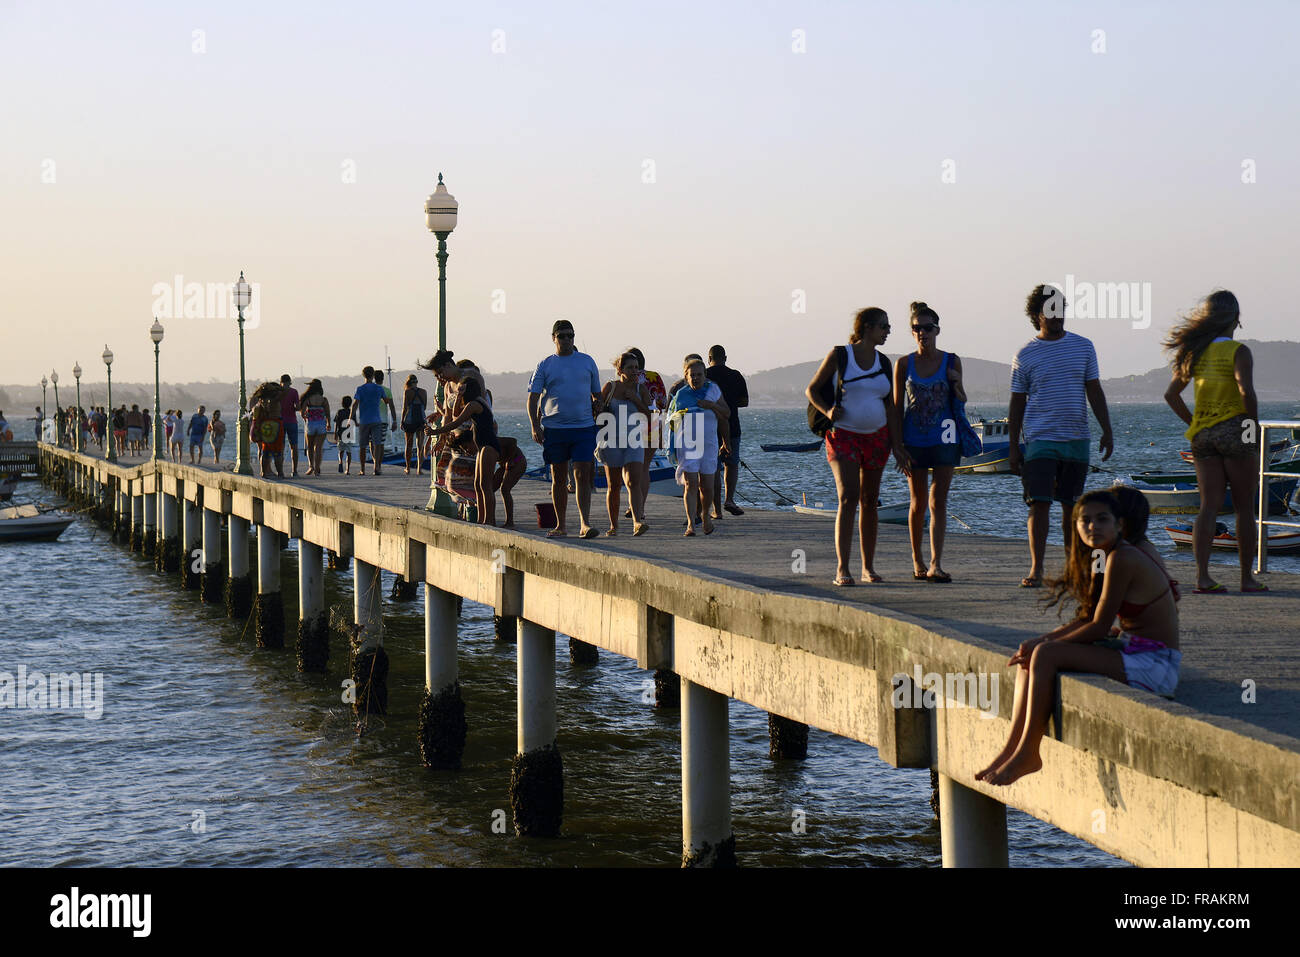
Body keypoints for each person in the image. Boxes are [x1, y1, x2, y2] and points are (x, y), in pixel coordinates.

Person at [977, 489, 1181, 786]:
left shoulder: (1123, 557)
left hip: (1156, 665)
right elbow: (1087, 618)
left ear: (1120, 525)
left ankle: (1029, 752)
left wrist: (1046, 645)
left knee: (1046, 655)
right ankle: (1011, 750)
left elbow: (1099, 627)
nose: (1092, 527)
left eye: (1102, 519)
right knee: (1032, 657)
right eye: (1084, 520)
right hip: (1135, 652)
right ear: (1074, 525)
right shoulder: (1104, 555)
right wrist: (1039, 642)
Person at [1009, 284, 1114, 588]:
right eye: (1050, 311)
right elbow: (1017, 402)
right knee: (1038, 503)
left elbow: (1094, 389)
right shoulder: (1026, 354)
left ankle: (1073, 568)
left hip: (1076, 438)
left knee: (1072, 506)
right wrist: (1015, 447)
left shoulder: (1083, 346)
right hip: (1040, 438)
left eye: (1061, 310)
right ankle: (1036, 569)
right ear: (1036, 315)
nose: (1057, 317)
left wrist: (1107, 429)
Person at [1161, 290, 1266, 593]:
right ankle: (1247, 578)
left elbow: (1171, 395)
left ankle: (1203, 578)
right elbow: (1246, 392)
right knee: (1245, 507)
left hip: (1203, 435)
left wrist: (1194, 422)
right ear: (1236, 319)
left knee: (1208, 506)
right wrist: (1252, 431)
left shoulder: (1196, 352)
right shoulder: (1239, 351)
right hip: (1234, 430)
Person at [805, 307, 904, 585]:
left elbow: (892, 407)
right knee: (848, 496)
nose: (888, 331)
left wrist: (898, 446)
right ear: (868, 328)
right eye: (884, 326)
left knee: (870, 501)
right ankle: (842, 568)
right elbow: (812, 389)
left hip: (877, 438)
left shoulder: (884, 362)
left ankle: (868, 568)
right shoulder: (840, 355)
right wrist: (827, 411)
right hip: (843, 435)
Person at [892, 302, 964, 582]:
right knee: (918, 502)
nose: (922, 333)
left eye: (927, 328)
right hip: (914, 438)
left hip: (945, 435)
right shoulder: (904, 364)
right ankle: (917, 559)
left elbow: (960, 398)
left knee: (938, 501)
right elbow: (897, 407)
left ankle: (936, 562)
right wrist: (896, 446)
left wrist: (956, 383)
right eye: (916, 328)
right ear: (912, 333)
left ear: (937, 330)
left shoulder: (951, 360)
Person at [527, 320, 603, 539]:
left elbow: (596, 394)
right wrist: (534, 425)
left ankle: (585, 524)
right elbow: (532, 398)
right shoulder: (546, 364)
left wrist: (598, 403)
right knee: (558, 476)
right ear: (553, 338)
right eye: (562, 336)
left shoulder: (587, 362)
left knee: (582, 473)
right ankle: (561, 525)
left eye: (570, 335)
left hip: (583, 427)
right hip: (555, 428)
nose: (567, 340)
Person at [423, 349, 502, 526]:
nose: (440, 378)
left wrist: (437, 432)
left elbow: (477, 412)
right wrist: (443, 438)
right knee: (464, 482)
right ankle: (477, 518)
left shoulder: (471, 379)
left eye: (440, 373)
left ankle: (486, 520)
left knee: (481, 484)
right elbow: (449, 417)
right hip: (458, 439)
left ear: (448, 365)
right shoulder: (448, 386)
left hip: (476, 438)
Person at [668, 358, 729, 536]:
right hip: (688, 444)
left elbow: (726, 414)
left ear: (705, 375)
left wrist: (711, 405)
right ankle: (690, 524)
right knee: (690, 484)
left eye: (699, 374)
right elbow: (672, 422)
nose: (695, 378)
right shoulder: (681, 395)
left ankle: (706, 516)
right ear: (686, 377)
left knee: (707, 486)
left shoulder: (713, 390)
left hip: (709, 444)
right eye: (692, 375)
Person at [596, 351, 653, 536]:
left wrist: (636, 400)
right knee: (613, 485)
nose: (635, 371)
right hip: (611, 439)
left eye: (637, 368)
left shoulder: (641, 389)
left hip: (634, 439)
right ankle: (613, 525)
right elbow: (598, 412)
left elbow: (649, 416)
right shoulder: (610, 387)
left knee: (634, 481)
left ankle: (637, 522)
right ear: (620, 370)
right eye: (630, 368)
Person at [706, 345, 749, 518]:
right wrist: (729, 403)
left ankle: (716, 509)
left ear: (709, 359)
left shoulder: (705, 375)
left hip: (710, 427)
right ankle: (729, 499)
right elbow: (744, 401)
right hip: (732, 425)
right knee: (731, 464)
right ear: (725, 357)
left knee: (714, 468)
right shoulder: (735, 375)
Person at [352, 366, 388, 476]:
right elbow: (386, 401)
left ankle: (362, 469)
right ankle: (376, 467)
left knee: (363, 446)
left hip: (364, 420)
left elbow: (355, 404)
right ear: (373, 375)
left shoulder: (360, 389)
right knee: (377, 444)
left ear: (363, 375)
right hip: (377, 420)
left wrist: (351, 417)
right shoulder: (379, 388)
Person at [249, 381, 285, 478]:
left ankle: (264, 472)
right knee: (278, 451)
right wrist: (275, 388)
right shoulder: (275, 399)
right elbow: (284, 392)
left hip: (265, 425)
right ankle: (280, 473)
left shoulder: (261, 400)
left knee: (266, 450)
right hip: (276, 423)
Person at [493, 435, 527, 528]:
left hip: (517, 460)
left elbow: (513, 441)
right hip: (503, 464)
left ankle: (510, 522)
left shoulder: (493, 440)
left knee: (505, 489)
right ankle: (490, 518)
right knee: (489, 489)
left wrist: (510, 459)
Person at [298, 380, 330, 476]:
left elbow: (302, 412)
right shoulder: (324, 400)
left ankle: (311, 466)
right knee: (319, 448)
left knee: (310, 447)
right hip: (321, 424)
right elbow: (328, 414)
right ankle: (317, 469)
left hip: (310, 424)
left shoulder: (308, 399)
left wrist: (305, 418)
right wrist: (328, 424)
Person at [401, 374, 429, 475]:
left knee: (408, 445)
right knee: (420, 446)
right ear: (417, 382)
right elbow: (424, 407)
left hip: (409, 420)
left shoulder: (407, 392)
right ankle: (419, 469)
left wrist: (401, 421)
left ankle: (408, 468)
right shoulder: (423, 391)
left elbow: (405, 408)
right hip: (421, 420)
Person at [278, 375, 301, 477]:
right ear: (290, 382)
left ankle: (280, 471)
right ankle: (294, 471)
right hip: (292, 421)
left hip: (280, 422)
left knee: (280, 447)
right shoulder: (294, 392)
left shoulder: (278, 392)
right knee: (294, 447)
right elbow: (297, 407)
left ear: (281, 382)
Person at [334, 396, 356, 474]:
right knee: (349, 452)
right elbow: (355, 423)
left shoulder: (339, 412)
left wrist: (335, 434)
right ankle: (348, 469)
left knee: (341, 450)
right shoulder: (352, 412)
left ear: (342, 403)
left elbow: (336, 424)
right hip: (350, 435)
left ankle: (340, 461)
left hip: (341, 434)